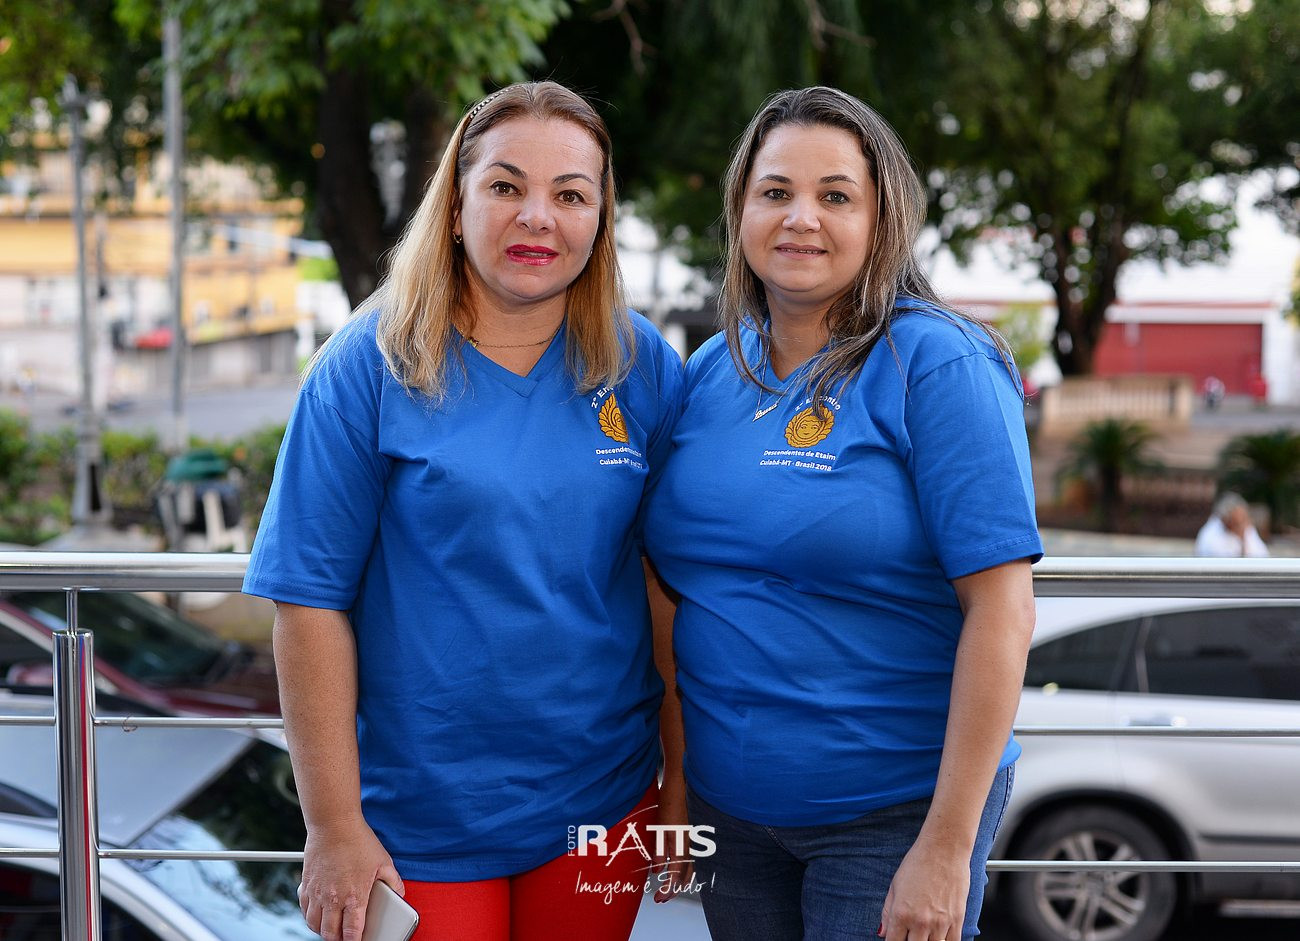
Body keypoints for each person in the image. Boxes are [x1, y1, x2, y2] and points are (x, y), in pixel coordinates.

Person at [243, 81, 683, 941]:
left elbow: (666, 586)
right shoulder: (366, 367)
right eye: (505, 186)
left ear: (600, 220)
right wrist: (332, 824)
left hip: (600, 801)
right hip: (418, 814)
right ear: (454, 206)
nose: (537, 217)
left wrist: (680, 778)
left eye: (571, 195)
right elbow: (307, 601)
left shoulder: (642, 367)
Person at [643, 86, 1043, 941]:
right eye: (776, 192)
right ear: (741, 211)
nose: (802, 219)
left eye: (835, 195)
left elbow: (1003, 610)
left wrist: (948, 845)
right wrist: (677, 781)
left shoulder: (940, 363)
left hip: (892, 815)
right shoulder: (709, 371)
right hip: (730, 813)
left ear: (881, 219)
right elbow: (670, 589)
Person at [1195, 492, 1269, 558]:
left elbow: (1263, 554)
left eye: (1244, 519)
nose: (1243, 526)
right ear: (1225, 521)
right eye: (1237, 523)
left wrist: (1243, 541)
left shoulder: (1246, 526)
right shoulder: (1210, 535)